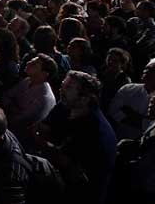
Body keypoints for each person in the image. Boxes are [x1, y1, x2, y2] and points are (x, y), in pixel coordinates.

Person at [37, 71, 117, 204]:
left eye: (68, 88)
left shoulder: (96, 132)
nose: (61, 89)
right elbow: (43, 128)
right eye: (63, 84)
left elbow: (74, 170)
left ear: (85, 98)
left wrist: (43, 143)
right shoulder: (65, 106)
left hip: (79, 195)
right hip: (55, 179)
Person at [107, 58, 155, 140]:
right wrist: (140, 119)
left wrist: (130, 113)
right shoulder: (128, 88)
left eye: (153, 70)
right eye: (146, 68)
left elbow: (149, 127)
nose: (146, 71)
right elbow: (112, 111)